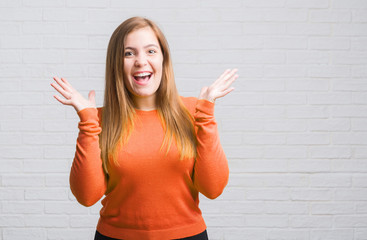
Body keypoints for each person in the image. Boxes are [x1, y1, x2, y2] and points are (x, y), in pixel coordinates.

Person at [51, 16, 238, 240]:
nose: (141, 61)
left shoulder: (194, 111)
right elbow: (87, 196)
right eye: (129, 53)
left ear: (163, 60)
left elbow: (213, 188)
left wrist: (206, 114)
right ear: (116, 64)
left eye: (151, 51)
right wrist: (87, 123)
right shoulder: (98, 120)